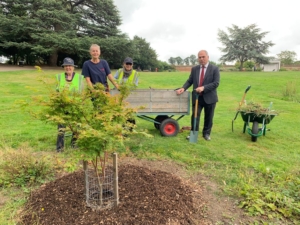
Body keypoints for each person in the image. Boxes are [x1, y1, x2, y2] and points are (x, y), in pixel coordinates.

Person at [176, 50, 220, 141]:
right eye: (199, 57)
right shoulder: (195, 69)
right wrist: (183, 88)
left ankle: (206, 134)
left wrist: (203, 87)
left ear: (208, 57)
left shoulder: (214, 69)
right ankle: (193, 134)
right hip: (197, 97)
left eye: (203, 57)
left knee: (209, 117)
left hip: (210, 98)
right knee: (195, 116)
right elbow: (190, 80)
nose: (201, 59)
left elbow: (216, 83)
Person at [56, 57, 84, 152]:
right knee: (61, 127)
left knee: (77, 126)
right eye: (66, 66)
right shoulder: (59, 77)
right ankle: (60, 148)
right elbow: (56, 92)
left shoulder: (80, 78)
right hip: (63, 106)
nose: (68, 67)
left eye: (70, 66)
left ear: (73, 67)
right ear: (64, 67)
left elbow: (82, 92)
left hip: (76, 106)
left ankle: (74, 145)